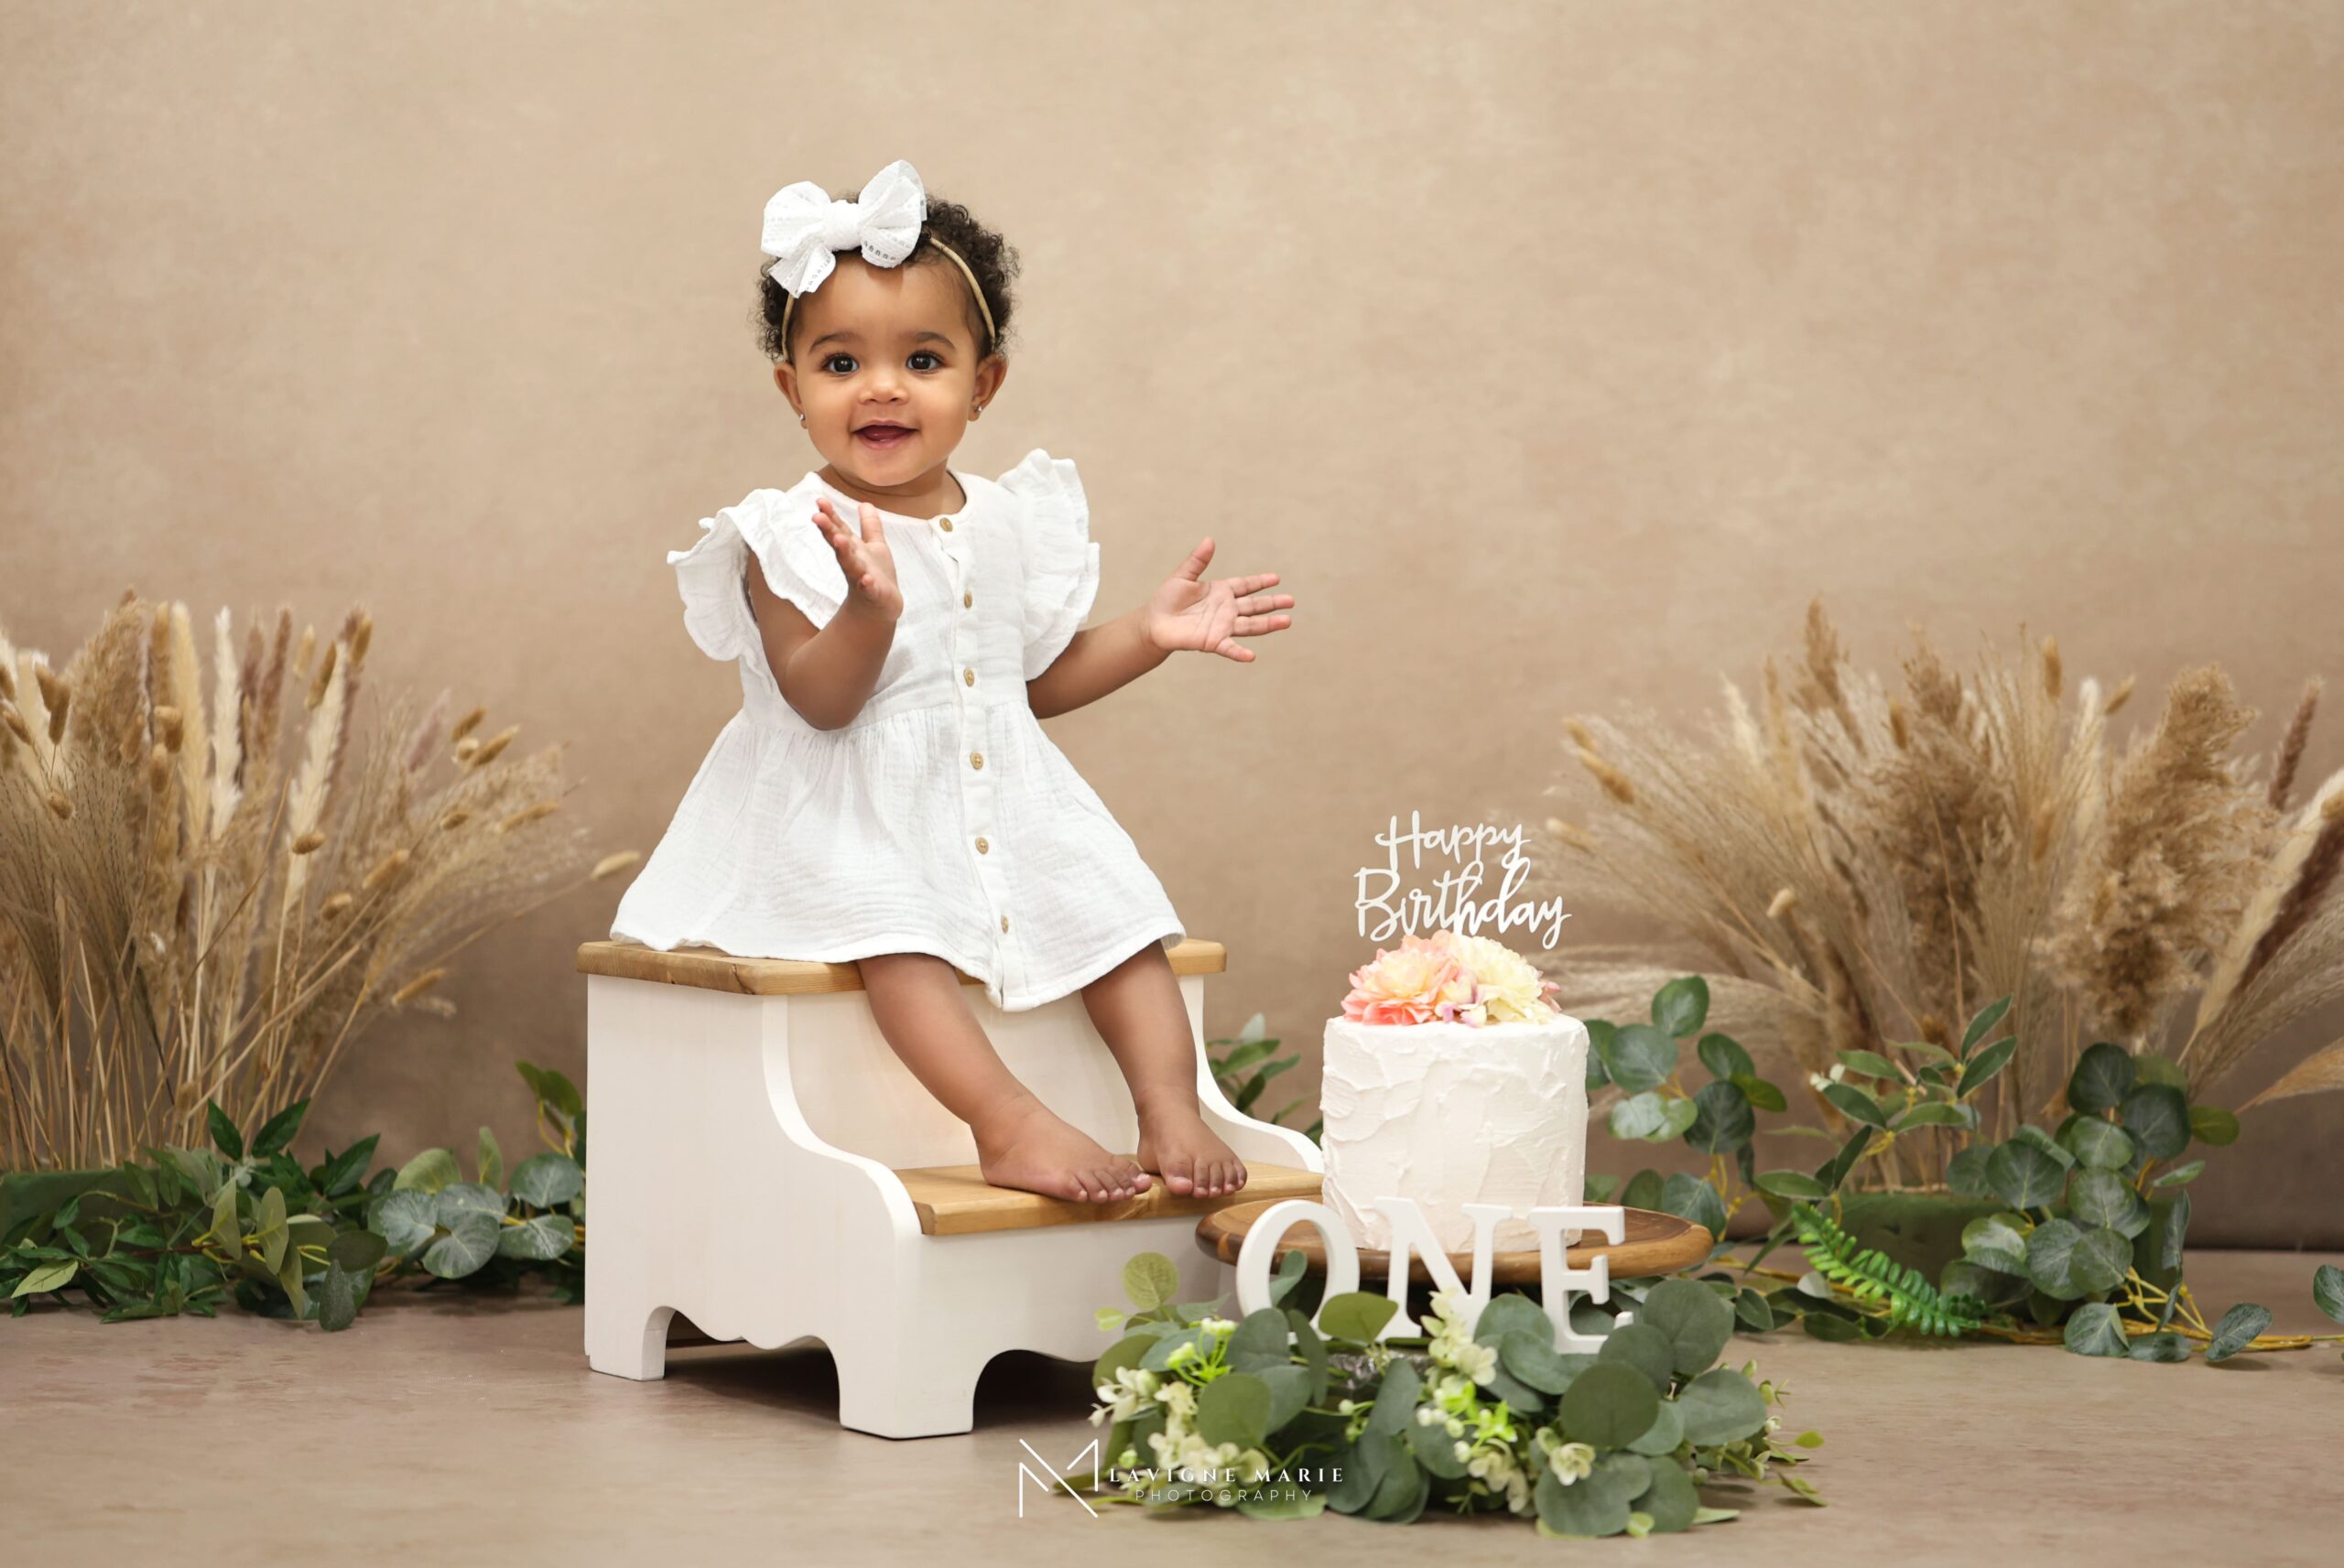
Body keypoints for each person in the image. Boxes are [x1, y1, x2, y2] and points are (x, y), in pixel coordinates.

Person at [612, 159, 1297, 1206]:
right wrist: (868, 613)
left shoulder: (1008, 519)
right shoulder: (786, 534)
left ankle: (1167, 1104)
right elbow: (821, 699)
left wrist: (1148, 635)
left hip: (996, 795)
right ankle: (1005, 1119)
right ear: (794, 391)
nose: (881, 386)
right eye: (840, 362)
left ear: (983, 385)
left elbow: (1029, 683)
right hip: (846, 811)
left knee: (1120, 920)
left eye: (922, 358)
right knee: (897, 936)